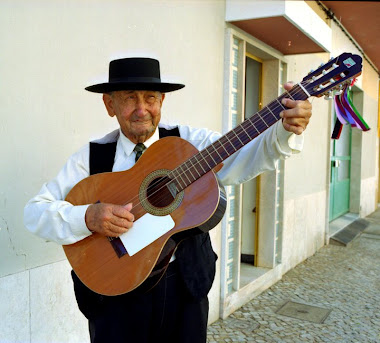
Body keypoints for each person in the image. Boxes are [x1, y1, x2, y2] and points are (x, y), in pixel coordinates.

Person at [24, 57, 312, 343]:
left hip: (184, 288)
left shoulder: (189, 143)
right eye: (129, 98)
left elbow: (249, 156)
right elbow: (35, 213)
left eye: (150, 98)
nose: (141, 109)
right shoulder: (90, 157)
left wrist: (284, 130)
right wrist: (87, 217)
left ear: (161, 101)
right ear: (109, 105)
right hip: (113, 296)